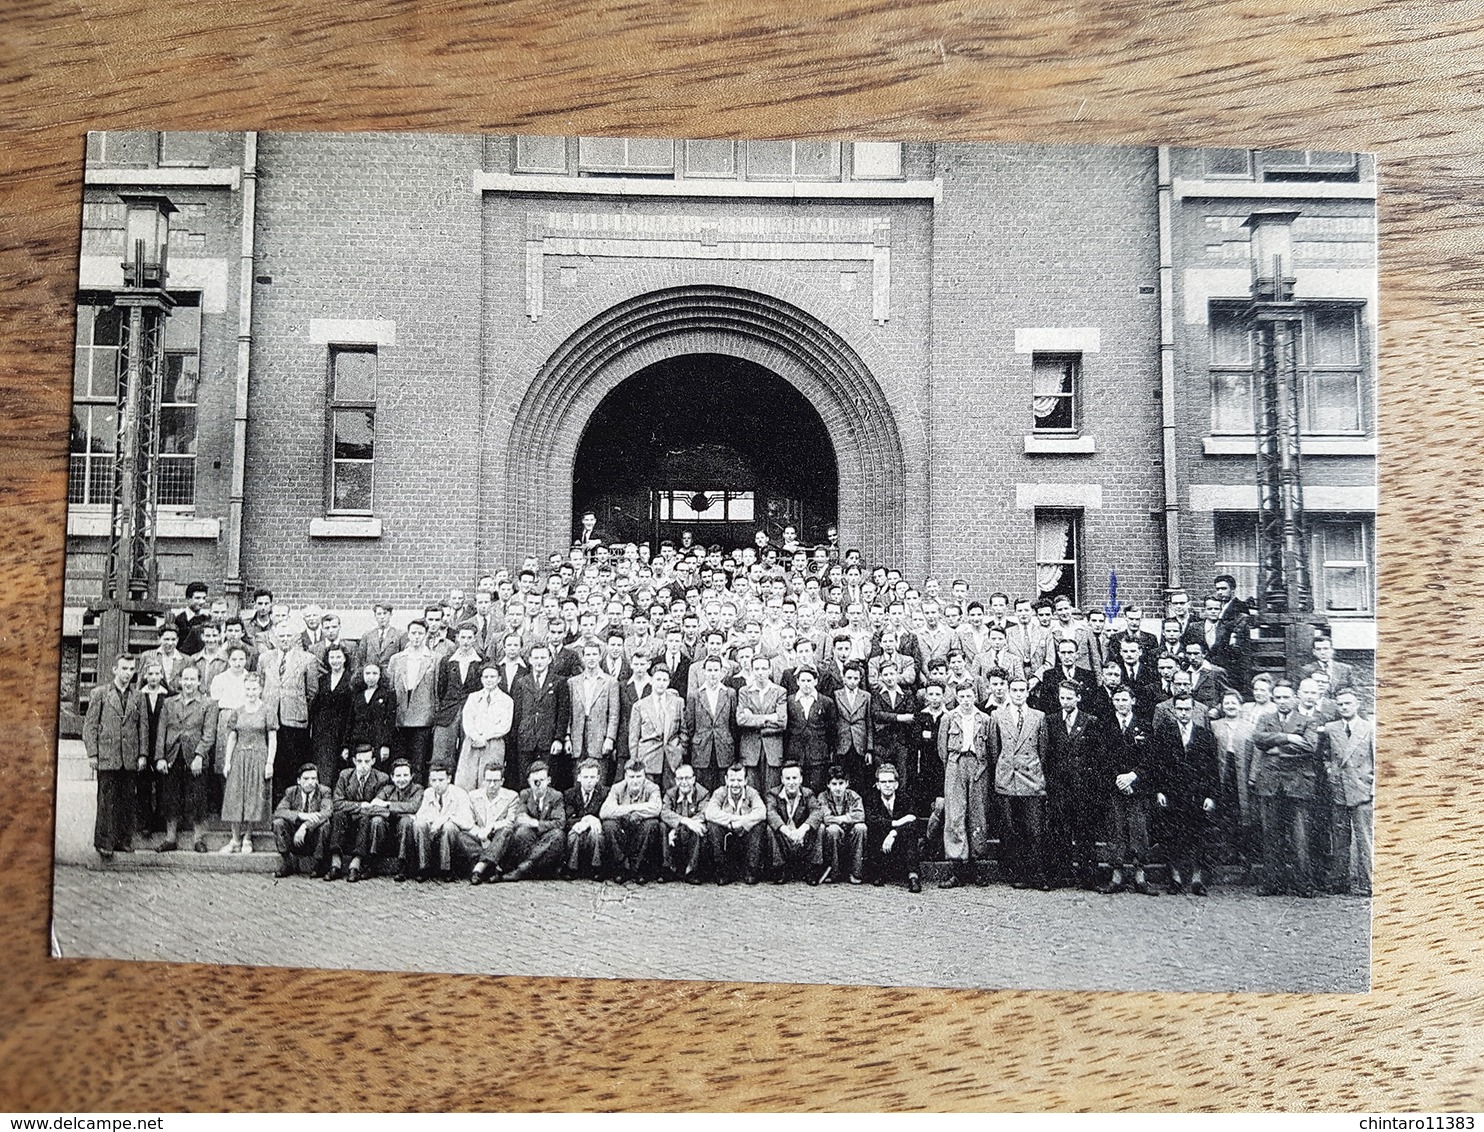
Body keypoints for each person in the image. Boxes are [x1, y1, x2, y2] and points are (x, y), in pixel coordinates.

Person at [1250, 682, 1324, 896]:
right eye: (1278, 698)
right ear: (1274, 699)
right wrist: (1289, 738)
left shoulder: (1308, 720)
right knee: (1270, 835)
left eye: (1286, 697)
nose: (1282, 702)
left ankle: (1304, 885)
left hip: (1297, 784)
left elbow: (1310, 746)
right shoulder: (1265, 719)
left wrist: (1275, 748)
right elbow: (1258, 738)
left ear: (1295, 698)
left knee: (1300, 837)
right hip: (1270, 784)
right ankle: (1273, 883)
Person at [1153, 693, 1219, 895]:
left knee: (1197, 835)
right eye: (1179, 709)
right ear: (1173, 710)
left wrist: (1211, 795)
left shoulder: (1204, 735)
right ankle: (1175, 878)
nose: (1183, 713)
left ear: (1193, 710)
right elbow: (1158, 764)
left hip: (1196, 794)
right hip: (1172, 793)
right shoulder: (1164, 733)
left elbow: (1211, 767)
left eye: (1187, 709)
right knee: (1172, 835)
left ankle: (1197, 879)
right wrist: (1159, 790)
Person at [1045, 679, 1106, 890]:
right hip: (1059, 786)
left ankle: (1089, 877)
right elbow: (1048, 755)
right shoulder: (1051, 721)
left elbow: (1098, 757)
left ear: (1078, 698)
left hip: (1083, 787)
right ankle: (1061, 875)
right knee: (1059, 831)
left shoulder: (1090, 721)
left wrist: (1092, 785)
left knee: (1084, 833)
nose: (1065, 702)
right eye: (1062, 697)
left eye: (1069, 698)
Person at [991, 676, 1050, 890]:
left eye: (1021, 690)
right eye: (1013, 690)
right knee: (1012, 830)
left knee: (1034, 830)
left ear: (1027, 692)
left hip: (1032, 780)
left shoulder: (1039, 717)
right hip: (1008, 779)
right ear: (1008, 691)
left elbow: (1043, 750)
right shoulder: (997, 716)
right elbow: (994, 750)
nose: (1017, 694)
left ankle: (1037, 874)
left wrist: (1036, 772)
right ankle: (1019, 873)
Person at [152, 664, 216, 853]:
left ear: (199, 681)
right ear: (180, 681)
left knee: (197, 797)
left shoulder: (208, 704)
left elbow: (209, 734)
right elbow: (161, 731)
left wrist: (199, 755)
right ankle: (170, 838)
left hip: (195, 756)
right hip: (173, 755)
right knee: (170, 797)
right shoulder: (169, 703)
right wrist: (160, 757)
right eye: (185, 679)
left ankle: (198, 839)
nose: (188, 683)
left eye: (192, 679)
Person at [1100, 685, 1157, 895]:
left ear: (1133, 701)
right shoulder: (1105, 725)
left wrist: (1132, 777)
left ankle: (1140, 875)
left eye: (1125, 699)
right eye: (1117, 700)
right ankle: (1116, 875)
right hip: (1114, 787)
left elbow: (1150, 757)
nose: (1121, 704)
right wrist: (1118, 780)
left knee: (1138, 829)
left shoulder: (1144, 725)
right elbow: (1101, 757)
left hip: (1137, 788)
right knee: (1116, 830)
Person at [83, 654, 140, 859]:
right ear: (115, 669)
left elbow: (142, 728)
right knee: (106, 800)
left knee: (126, 800)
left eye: (131, 669)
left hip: (129, 757)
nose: (127, 673)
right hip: (108, 755)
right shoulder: (100, 693)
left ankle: (123, 841)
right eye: (124, 668)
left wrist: (141, 754)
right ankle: (104, 843)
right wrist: (92, 754)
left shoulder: (137, 696)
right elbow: (90, 726)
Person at [938, 682, 992, 888]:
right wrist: (953, 765)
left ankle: (977, 867)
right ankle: (957, 869)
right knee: (955, 814)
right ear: (957, 697)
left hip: (978, 765)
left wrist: (981, 765)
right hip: (956, 764)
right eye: (962, 697)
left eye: (969, 696)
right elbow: (942, 749)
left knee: (978, 814)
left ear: (975, 697)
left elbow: (991, 748)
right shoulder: (949, 718)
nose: (966, 701)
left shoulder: (985, 719)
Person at [261, 622, 322, 799]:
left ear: (295, 638)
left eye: (288, 636)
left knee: (292, 764)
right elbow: (261, 684)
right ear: (274, 639)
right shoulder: (265, 658)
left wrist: (298, 708)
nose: (285, 640)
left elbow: (312, 691)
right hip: (270, 719)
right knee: (273, 764)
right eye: (281, 637)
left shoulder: (307, 659)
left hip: (294, 721)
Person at [1322, 690, 1373, 897]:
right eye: (1340, 704)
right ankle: (1340, 881)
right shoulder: (1331, 728)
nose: (1344, 707)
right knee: (1340, 839)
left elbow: (1378, 759)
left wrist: (1372, 786)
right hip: (1339, 789)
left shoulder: (1369, 728)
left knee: (1365, 838)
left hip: (1362, 789)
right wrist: (1330, 770)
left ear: (1357, 704)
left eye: (1348, 703)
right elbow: (1325, 754)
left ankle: (1369, 882)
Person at [220, 669, 276, 855]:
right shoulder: (238, 711)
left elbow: (272, 738)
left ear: (260, 689)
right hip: (239, 757)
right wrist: (227, 762)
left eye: (254, 689)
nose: (251, 693)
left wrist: (270, 763)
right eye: (248, 689)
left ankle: (248, 838)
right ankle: (234, 839)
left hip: (258, 757)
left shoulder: (267, 710)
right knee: (235, 797)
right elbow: (232, 738)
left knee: (253, 797)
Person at [511, 643, 571, 791]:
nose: (539, 661)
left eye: (543, 657)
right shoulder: (521, 682)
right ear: (530, 659)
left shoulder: (559, 682)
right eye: (536, 657)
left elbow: (563, 714)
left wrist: (558, 739)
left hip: (548, 740)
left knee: (549, 780)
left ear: (550, 659)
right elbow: (517, 714)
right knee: (525, 780)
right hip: (526, 739)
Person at [326, 745, 391, 883]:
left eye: (367, 762)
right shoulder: (345, 775)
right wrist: (360, 805)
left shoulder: (381, 778)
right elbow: (337, 802)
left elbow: (377, 805)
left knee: (366, 818)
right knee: (338, 815)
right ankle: (335, 863)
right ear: (354, 761)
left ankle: (355, 864)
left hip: (365, 822)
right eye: (359, 761)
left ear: (373, 761)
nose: (363, 766)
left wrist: (358, 808)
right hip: (347, 820)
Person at [498, 761, 568, 882]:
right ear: (529, 781)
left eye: (542, 780)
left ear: (548, 780)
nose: (538, 785)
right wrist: (526, 821)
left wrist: (535, 823)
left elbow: (560, 822)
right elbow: (520, 817)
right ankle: (532, 868)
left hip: (547, 837)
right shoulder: (525, 794)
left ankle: (523, 869)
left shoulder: (556, 796)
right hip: (533, 839)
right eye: (535, 781)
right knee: (521, 832)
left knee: (558, 835)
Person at [431, 623, 486, 776]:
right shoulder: (447, 661)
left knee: (468, 754)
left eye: (470, 638)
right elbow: (441, 689)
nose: (466, 641)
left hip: (472, 713)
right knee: (442, 753)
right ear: (457, 638)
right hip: (448, 713)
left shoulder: (482, 661)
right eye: (463, 637)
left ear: (475, 639)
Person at [387, 619, 438, 783]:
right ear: (408, 635)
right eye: (413, 633)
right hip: (400, 717)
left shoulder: (434, 659)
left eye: (420, 633)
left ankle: (416, 794)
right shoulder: (397, 659)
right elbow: (390, 687)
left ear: (426, 635)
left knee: (418, 761)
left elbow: (437, 689)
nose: (416, 637)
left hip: (422, 718)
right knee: (399, 760)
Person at [703, 762, 769, 885]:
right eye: (732, 780)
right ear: (726, 780)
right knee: (712, 827)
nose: (735, 784)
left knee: (760, 826)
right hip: (727, 835)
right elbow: (710, 813)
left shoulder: (752, 793)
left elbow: (761, 812)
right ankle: (722, 871)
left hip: (746, 835)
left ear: (746, 781)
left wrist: (741, 822)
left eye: (739, 780)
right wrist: (731, 820)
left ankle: (751, 871)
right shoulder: (720, 793)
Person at [599, 759, 663, 884]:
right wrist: (633, 808)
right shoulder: (617, 788)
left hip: (642, 828)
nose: (635, 781)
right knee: (609, 825)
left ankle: (639, 870)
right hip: (623, 827)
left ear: (644, 776)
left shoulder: (653, 788)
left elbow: (656, 809)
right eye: (631, 776)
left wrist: (623, 810)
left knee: (652, 824)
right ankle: (622, 868)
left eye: (639, 776)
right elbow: (604, 812)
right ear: (625, 777)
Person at [863, 763, 922, 892]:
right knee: (874, 830)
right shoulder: (872, 800)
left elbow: (913, 821)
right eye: (883, 782)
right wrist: (895, 823)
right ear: (877, 785)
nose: (887, 785)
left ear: (896, 784)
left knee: (910, 832)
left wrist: (894, 833)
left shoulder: (905, 799)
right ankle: (878, 873)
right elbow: (872, 820)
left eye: (891, 781)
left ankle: (913, 876)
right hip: (880, 850)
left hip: (900, 847)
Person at [409, 765, 475, 881]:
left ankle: (446, 869)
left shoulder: (460, 794)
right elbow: (421, 814)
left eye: (441, 780)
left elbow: (468, 822)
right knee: (419, 824)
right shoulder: (429, 793)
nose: (437, 784)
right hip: (434, 835)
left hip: (455, 839)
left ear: (449, 779)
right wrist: (433, 821)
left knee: (448, 826)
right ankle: (424, 867)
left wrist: (445, 819)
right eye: (433, 780)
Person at [735, 653, 788, 795]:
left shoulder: (780, 692)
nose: (760, 673)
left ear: (770, 670)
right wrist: (770, 717)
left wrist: (753, 717)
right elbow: (741, 719)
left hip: (773, 749)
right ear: (751, 670)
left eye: (764, 668)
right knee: (751, 792)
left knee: (771, 793)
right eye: (756, 669)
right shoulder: (744, 692)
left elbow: (782, 721)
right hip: (750, 749)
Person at [628, 664, 686, 791]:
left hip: (671, 757)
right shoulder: (640, 705)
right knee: (649, 792)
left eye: (665, 680)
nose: (661, 683)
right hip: (648, 757)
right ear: (651, 681)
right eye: (658, 679)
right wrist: (635, 760)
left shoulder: (678, 702)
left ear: (669, 682)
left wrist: (680, 750)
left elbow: (683, 730)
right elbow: (633, 737)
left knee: (671, 793)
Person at [456, 663, 514, 790]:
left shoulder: (506, 700)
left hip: (493, 744)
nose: (489, 680)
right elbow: (467, 720)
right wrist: (476, 736)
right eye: (486, 677)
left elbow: (505, 725)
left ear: (499, 679)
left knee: (489, 778)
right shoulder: (473, 697)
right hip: (472, 742)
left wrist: (485, 737)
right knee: (467, 779)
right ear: (481, 679)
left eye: (492, 677)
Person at [684, 654, 737, 793]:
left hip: (723, 747)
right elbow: (690, 724)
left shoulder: (730, 694)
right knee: (703, 788)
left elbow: (733, 724)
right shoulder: (695, 695)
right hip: (701, 748)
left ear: (721, 672)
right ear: (704, 672)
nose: (713, 674)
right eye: (709, 670)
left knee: (723, 787)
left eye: (716, 670)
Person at [271, 763, 333, 878]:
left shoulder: (324, 791)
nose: (310, 782)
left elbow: (327, 812)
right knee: (278, 823)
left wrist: (305, 826)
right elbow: (279, 811)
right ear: (299, 780)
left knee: (325, 825)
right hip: (294, 836)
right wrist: (300, 815)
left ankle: (318, 864)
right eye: (306, 778)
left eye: (313, 778)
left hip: (312, 834)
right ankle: (287, 862)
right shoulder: (291, 792)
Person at [466, 763, 523, 883]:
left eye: (496, 781)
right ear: (483, 781)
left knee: (506, 831)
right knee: (460, 836)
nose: (492, 785)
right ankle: (491, 866)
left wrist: (491, 827)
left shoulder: (511, 796)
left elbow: (510, 821)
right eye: (488, 780)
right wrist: (480, 833)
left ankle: (479, 868)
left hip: (498, 838)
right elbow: (468, 821)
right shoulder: (473, 796)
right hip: (479, 837)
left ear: (502, 781)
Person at [767, 762, 823, 884]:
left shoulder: (808, 794)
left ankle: (813, 869)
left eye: (795, 778)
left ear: (801, 779)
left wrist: (803, 829)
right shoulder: (773, 794)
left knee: (820, 827)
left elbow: (817, 812)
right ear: (782, 779)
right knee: (770, 829)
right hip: (784, 839)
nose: (791, 782)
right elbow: (771, 813)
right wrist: (786, 831)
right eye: (787, 778)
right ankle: (779, 868)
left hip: (801, 839)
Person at [310, 643, 356, 787]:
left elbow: (352, 710)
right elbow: (315, 707)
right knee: (323, 768)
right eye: (332, 657)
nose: (335, 660)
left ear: (344, 659)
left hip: (342, 731)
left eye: (338, 657)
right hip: (323, 732)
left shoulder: (352, 680)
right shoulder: (322, 680)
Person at [369, 759, 424, 881]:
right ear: (392, 777)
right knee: (376, 820)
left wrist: (388, 804)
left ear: (411, 776)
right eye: (398, 775)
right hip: (388, 831)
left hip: (406, 833)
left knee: (405, 821)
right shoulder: (387, 790)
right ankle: (372, 862)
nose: (402, 779)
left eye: (405, 775)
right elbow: (373, 807)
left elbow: (413, 807)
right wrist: (392, 815)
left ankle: (404, 865)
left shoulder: (417, 789)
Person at [134, 659, 170, 838]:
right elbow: (140, 726)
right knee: (144, 785)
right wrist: (142, 753)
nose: (154, 677)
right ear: (145, 676)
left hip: (162, 745)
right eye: (150, 674)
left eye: (157, 674)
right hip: (144, 745)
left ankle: (160, 821)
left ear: (162, 676)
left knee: (163, 785)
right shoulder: (140, 695)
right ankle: (145, 822)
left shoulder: (168, 696)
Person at [786, 667, 835, 794]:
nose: (806, 684)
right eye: (803, 680)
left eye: (809, 680)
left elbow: (831, 730)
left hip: (818, 756)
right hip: (795, 755)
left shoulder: (826, 702)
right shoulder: (790, 701)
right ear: (797, 681)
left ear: (815, 681)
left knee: (816, 789)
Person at [816, 766, 867, 885]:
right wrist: (848, 818)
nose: (838, 788)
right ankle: (834, 873)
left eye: (841, 783)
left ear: (847, 783)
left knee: (861, 827)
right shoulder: (822, 797)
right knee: (833, 829)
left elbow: (860, 815)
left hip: (851, 836)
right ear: (828, 785)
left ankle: (856, 873)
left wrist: (840, 819)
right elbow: (826, 818)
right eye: (834, 784)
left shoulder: (853, 796)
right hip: (833, 839)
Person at [661, 762, 710, 883]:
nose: (684, 782)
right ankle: (669, 868)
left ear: (694, 779)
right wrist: (685, 821)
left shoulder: (703, 794)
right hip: (677, 836)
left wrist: (681, 827)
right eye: (680, 778)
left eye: (687, 778)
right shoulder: (670, 794)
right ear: (676, 780)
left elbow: (703, 814)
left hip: (691, 835)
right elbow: (664, 812)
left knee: (699, 827)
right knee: (662, 826)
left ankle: (692, 871)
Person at [563, 759, 607, 879]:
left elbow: (606, 815)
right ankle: (572, 868)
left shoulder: (604, 793)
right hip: (579, 828)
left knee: (596, 833)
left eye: (592, 777)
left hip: (595, 831)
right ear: (579, 777)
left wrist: (594, 821)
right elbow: (568, 819)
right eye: (585, 777)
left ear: (598, 778)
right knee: (574, 833)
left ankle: (596, 868)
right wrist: (587, 819)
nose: (589, 781)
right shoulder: (570, 794)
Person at [832, 662, 873, 789]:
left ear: (860, 679)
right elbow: (833, 722)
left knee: (859, 780)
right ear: (843, 678)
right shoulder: (836, 695)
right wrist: (833, 748)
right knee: (841, 777)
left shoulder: (866, 696)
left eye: (856, 678)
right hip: (842, 743)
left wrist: (869, 749)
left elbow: (869, 723)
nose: (852, 681)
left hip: (859, 743)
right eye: (849, 678)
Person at [347, 661, 396, 766]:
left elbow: (390, 721)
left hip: (377, 739)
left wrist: (385, 745)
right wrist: (346, 745)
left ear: (380, 676)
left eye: (375, 673)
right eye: (368, 673)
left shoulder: (387, 694)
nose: (371, 677)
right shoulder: (357, 695)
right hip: (358, 738)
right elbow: (350, 720)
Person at [360, 603, 406, 673]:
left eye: (385, 613)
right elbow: (361, 658)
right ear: (375, 616)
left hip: (390, 675)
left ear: (390, 615)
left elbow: (403, 659)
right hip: (372, 675)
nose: (382, 617)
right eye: (379, 614)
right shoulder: (367, 635)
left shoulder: (399, 635)